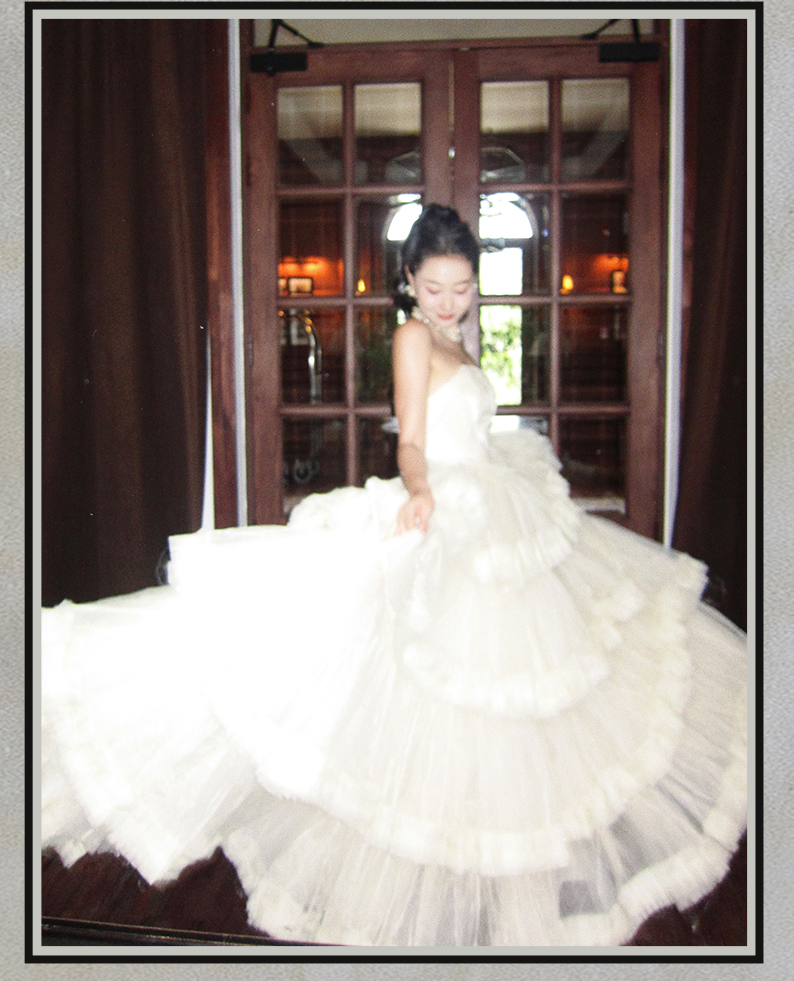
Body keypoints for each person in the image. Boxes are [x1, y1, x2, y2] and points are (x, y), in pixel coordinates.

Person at [41, 204, 747, 947]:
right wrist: (420, 490)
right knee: (375, 678)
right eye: (434, 287)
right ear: (408, 280)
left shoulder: (457, 338)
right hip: (444, 505)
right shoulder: (413, 337)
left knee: (506, 694)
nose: (449, 302)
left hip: (494, 507)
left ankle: (493, 861)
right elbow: (412, 439)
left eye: (463, 287)